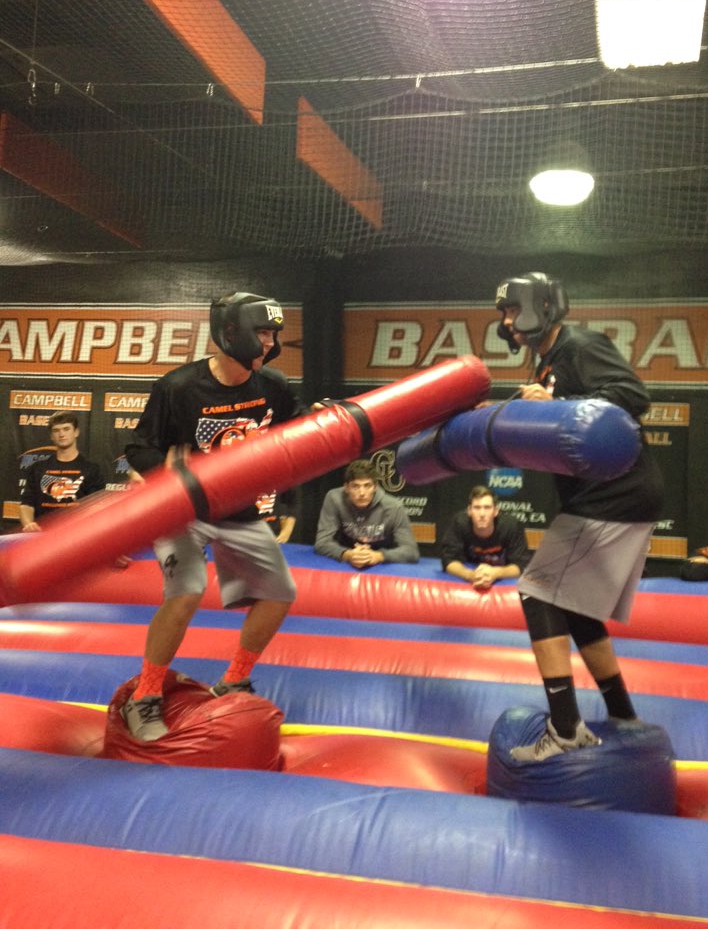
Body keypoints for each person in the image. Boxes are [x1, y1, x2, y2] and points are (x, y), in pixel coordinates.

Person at [494, 271, 664, 761]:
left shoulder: (581, 346)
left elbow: (634, 397)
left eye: (513, 310)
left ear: (542, 307)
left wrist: (559, 403)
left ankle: (566, 727)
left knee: (537, 591)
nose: (507, 322)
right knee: (575, 608)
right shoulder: (546, 362)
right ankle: (622, 713)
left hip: (617, 489)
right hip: (603, 492)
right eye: (503, 314)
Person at [122, 291, 302, 742]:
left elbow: (297, 431)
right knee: (186, 591)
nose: (269, 343)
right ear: (231, 333)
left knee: (280, 593)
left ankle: (233, 680)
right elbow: (138, 448)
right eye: (262, 332)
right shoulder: (179, 387)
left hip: (237, 509)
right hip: (182, 511)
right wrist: (166, 466)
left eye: (274, 334)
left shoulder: (273, 386)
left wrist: (323, 421)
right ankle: (144, 695)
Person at [314, 458, 419, 568]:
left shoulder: (394, 507)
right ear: (346, 488)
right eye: (355, 486)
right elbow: (322, 542)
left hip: (383, 565)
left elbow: (411, 551)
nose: (362, 493)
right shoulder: (334, 499)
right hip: (348, 558)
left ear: (375, 487)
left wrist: (379, 556)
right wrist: (348, 554)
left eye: (367, 485)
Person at [19, 410, 105, 531]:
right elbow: (26, 504)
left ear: (76, 432)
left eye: (66, 429)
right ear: (51, 436)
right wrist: (29, 524)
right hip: (42, 535)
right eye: (56, 430)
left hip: (77, 536)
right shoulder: (37, 469)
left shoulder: (91, 469)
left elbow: (96, 507)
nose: (61, 434)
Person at [440, 485, 530, 590]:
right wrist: (470, 575)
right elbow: (448, 561)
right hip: (470, 570)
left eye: (487, 508)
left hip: (500, 571)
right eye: (477, 508)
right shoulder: (460, 523)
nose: (482, 514)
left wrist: (496, 573)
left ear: (496, 511)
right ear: (469, 511)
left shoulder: (510, 526)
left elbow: (521, 566)